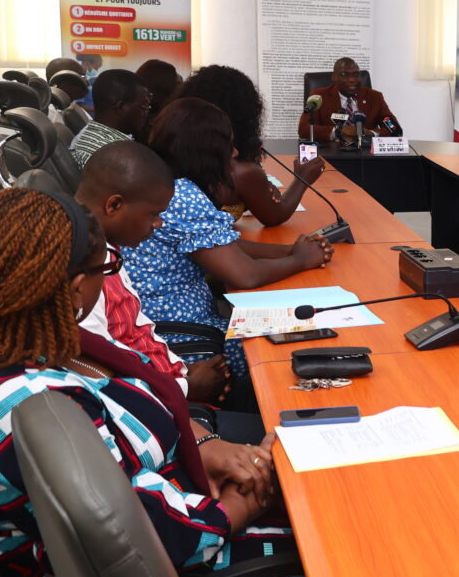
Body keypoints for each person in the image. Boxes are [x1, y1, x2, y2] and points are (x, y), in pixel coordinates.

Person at [0, 189, 311, 577]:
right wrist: (254, 493)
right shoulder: (34, 416)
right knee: (343, 560)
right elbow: (150, 545)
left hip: (134, 540)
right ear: (76, 288)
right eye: (108, 268)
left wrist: (202, 447)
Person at [125, 99, 333, 378]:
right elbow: (245, 275)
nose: (234, 153)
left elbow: (226, 245)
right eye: (228, 145)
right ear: (206, 152)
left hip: (174, 325)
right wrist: (301, 261)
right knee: (295, 350)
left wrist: (291, 251)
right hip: (180, 340)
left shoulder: (164, 182)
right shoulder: (182, 196)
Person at [74, 141, 229, 407]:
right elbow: (103, 363)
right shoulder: (84, 271)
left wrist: (183, 371)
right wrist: (186, 387)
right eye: (154, 214)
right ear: (114, 205)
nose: (158, 223)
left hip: (167, 385)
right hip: (155, 404)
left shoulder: (107, 251)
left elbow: (140, 328)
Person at [177, 64, 326, 226]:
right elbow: (274, 216)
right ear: (246, 112)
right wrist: (302, 179)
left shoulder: (175, 152)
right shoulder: (239, 170)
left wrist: (255, 192)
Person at [298, 57, 401, 143]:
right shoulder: (320, 96)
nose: (352, 80)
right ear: (334, 77)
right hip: (332, 154)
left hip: (365, 154)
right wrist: (338, 131)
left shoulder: (374, 97)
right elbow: (304, 129)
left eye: (356, 74)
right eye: (344, 75)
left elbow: (394, 128)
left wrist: (371, 133)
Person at [68, 68, 150, 168]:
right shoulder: (111, 155)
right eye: (144, 105)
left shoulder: (96, 137)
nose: (147, 111)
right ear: (121, 107)